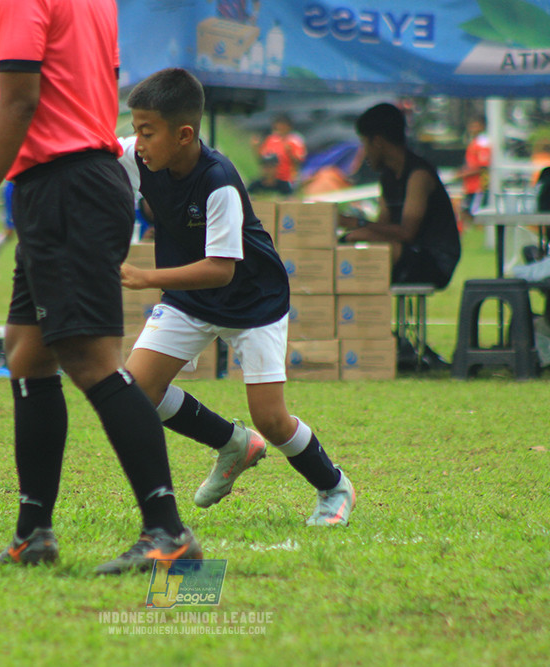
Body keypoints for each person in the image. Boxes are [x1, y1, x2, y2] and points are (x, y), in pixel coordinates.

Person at [0, 0, 198, 574]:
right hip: (70, 183)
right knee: (28, 353)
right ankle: (33, 534)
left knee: (92, 360)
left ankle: (169, 532)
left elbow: (20, 100)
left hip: (66, 187)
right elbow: (94, 89)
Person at [120, 67, 355, 527]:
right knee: (136, 391)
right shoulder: (139, 158)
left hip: (252, 302)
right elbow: (95, 166)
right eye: (135, 131)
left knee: (271, 419)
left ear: (184, 134)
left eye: (147, 132)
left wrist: (146, 277)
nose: (137, 142)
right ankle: (232, 443)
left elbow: (219, 269)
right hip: (191, 299)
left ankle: (334, 487)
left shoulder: (218, 181)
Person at [339, 103, 461, 290]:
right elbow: (383, 226)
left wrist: (356, 224)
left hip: (435, 260)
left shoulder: (418, 175)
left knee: (367, 243)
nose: (365, 154)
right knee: (359, 243)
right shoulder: (388, 177)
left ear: (378, 141)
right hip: (409, 253)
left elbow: (407, 232)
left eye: (365, 143)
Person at [253, 114, 306, 190]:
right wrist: (256, 147)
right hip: (273, 179)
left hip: (288, 178)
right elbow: (263, 158)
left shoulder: (295, 140)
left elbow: (299, 161)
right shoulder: (271, 139)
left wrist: (290, 152)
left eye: (282, 125)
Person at [458, 115, 491, 227]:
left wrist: (464, 173)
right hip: (470, 186)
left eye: (475, 125)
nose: (472, 128)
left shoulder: (483, 143)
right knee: (465, 211)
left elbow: (483, 166)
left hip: (478, 186)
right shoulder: (474, 142)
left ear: (483, 126)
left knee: (474, 214)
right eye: (471, 125)